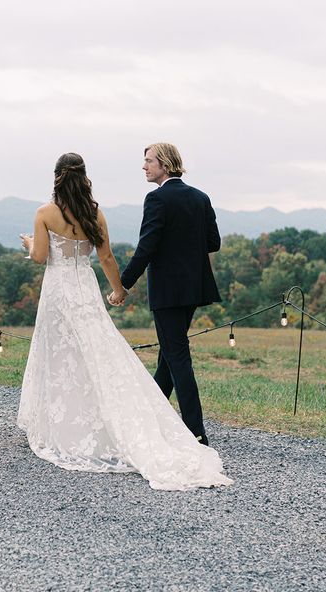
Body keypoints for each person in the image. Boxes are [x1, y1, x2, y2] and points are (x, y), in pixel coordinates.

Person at [17, 152, 231, 491]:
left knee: (59, 353)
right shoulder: (95, 213)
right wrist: (118, 289)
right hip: (85, 289)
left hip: (58, 291)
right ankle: (157, 417)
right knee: (101, 351)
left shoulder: (44, 213)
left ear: (57, 177)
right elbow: (106, 256)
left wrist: (30, 244)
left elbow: (41, 257)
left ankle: (60, 422)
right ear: (84, 177)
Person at [120, 142, 221, 446]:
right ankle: (151, 419)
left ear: (164, 164)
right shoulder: (201, 198)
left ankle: (196, 432)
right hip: (193, 289)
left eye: (149, 161)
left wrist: (123, 284)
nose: (144, 166)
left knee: (177, 357)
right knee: (169, 355)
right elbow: (213, 242)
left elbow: (146, 247)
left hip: (167, 291)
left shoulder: (156, 199)